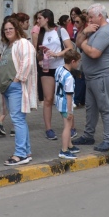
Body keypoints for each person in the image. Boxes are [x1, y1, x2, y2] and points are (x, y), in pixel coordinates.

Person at [72, 3, 109, 152]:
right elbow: (77, 43)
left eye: (91, 17)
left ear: (100, 16)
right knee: (90, 108)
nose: (89, 20)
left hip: (102, 76)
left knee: (105, 108)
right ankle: (88, 135)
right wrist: (84, 32)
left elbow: (93, 53)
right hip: (91, 76)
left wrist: (84, 42)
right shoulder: (93, 29)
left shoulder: (106, 32)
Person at [0, 17, 38, 166]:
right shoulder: (8, 45)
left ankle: (20, 154)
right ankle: (26, 152)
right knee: (19, 120)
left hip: (16, 87)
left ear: (17, 29)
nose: (8, 31)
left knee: (17, 120)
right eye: (6, 29)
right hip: (8, 88)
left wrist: (17, 80)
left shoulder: (23, 43)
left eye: (11, 28)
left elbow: (28, 62)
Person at [33, 9, 74, 140]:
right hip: (46, 68)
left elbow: (69, 47)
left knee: (64, 97)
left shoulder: (60, 30)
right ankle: (48, 129)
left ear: (47, 18)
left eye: (40, 18)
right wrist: (40, 56)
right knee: (48, 99)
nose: (37, 21)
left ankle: (70, 126)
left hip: (60, 67)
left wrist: (57, 54)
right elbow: (36, 51)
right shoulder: (40, 33)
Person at [55, 50, 82, 160]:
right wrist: (70, 111)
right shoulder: (69, 77)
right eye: (78, 62)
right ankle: (64, 150)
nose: (78, 64)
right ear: (73, 61)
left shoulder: (59, 69)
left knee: (67, 124)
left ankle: (69, 145)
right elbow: (69, 95)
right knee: (68, 127)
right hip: (66, 104)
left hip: (59, 101)